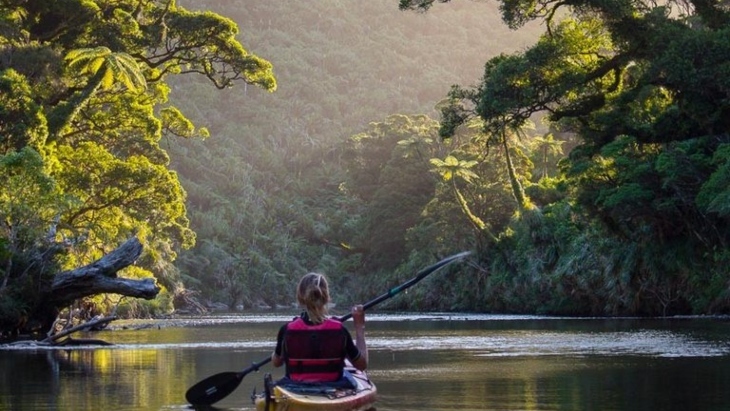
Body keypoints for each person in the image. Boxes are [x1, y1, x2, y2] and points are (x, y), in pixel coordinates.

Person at [271, 272, 367, 387]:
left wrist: (279, 351)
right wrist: (359, 326)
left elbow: (276, 363)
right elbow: (361, 365)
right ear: (327, 298)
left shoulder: (286, 330)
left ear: (300, 298)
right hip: (333, 386)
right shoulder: (340, 330)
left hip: (295, 387)